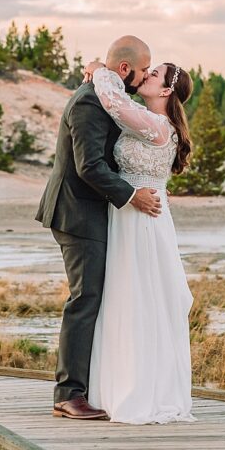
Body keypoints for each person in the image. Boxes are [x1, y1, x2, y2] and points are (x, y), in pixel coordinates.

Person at [35, 35, 162, 420]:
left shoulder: (106, 94)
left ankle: (86, 387)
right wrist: (131, 196)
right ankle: (68, 393)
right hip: (77, 212)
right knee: (85, 298)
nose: (141, 82)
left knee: (92, 297)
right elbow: (89, 165)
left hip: (89, 211)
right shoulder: (91, 101)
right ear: (124, 70)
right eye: (140, 73)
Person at [85, 58, 195, 424]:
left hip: (143, 219)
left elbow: (114, 102)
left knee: (141, 299)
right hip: (128, 214)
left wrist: (100, 69)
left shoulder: (159, 126)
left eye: (154, 74)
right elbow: (117, 107)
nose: (145, 75)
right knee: (123, 298)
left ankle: (142, 391)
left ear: (165, 91)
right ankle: (115, 388)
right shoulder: (146, 118)